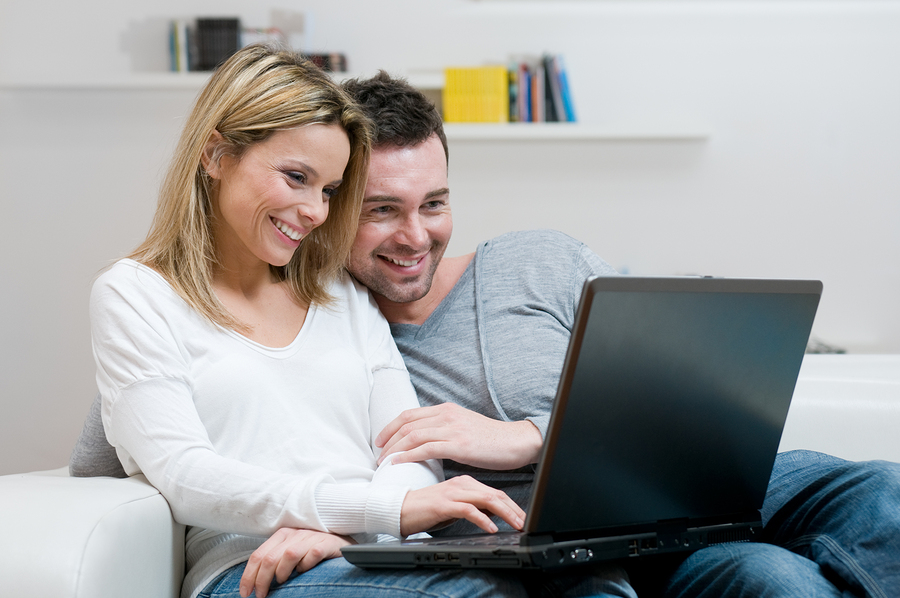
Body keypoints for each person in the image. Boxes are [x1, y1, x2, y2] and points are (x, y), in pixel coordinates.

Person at [86, 45, 637, 598]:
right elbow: (183, 473)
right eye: (296, 177)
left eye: (329, 191)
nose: (315, 211)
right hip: (255, 566)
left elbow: (408, 448)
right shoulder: (136, 295)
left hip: (375, 553)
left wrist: (351, 527)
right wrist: (373, 512)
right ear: (215, 154)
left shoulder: (340, 292)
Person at [334, 72, 900, 597]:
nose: (416, 236)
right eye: (382, 210)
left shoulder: (539, 260)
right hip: (569, 554)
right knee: (774, 579)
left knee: (883, 488)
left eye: (434, 204)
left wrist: (532, 436)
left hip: (685, 488)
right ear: (329, 207)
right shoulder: (338, 340)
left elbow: (680, 394)